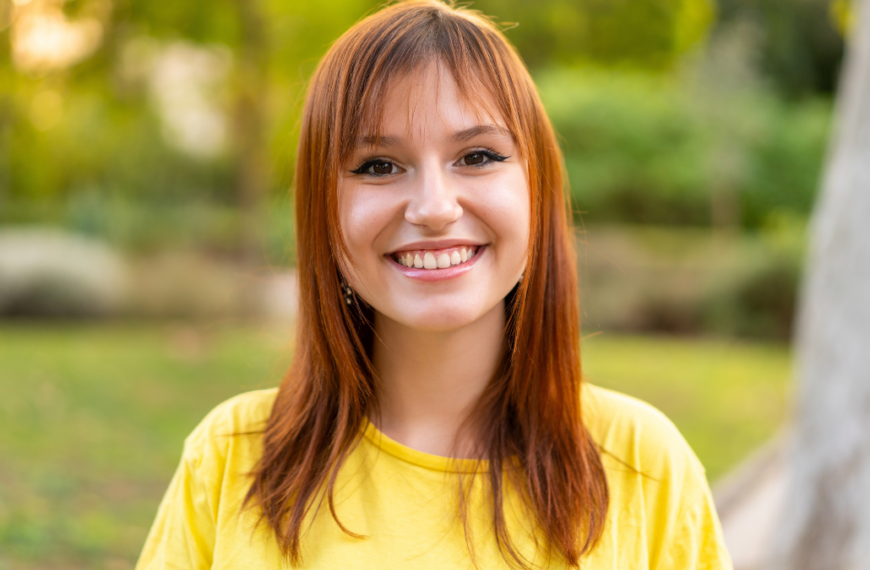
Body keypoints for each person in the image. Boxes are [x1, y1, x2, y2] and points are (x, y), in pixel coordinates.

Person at [135, 1, 733, 568]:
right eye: (379, 166)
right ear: (323, 210)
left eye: (477, 156)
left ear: (537, 189)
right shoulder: (231, 457)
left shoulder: (643, 464)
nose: (434, 207)